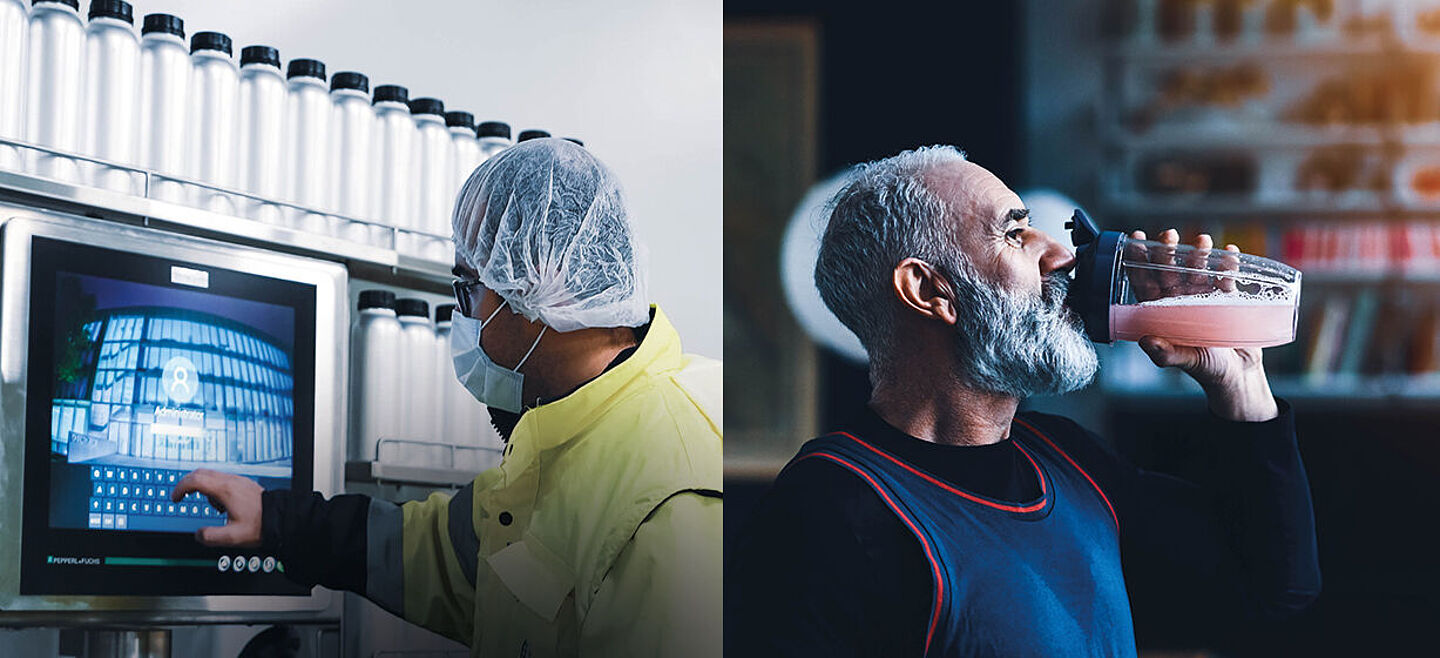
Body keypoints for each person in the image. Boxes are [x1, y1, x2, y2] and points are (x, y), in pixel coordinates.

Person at [726, 145, 1319, 656]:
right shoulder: (831, 511)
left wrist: (1238, 381)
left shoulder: (1069, 462)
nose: (1060, 256)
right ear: (930, 290)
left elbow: (1270, 587)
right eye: (1014, 233)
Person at [174, 139, 723, 657]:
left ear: (536, 288)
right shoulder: (568, 435)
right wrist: (277, 519)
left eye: (469, 289)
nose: (463, 317)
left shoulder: (666, 504)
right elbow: (439, 554)